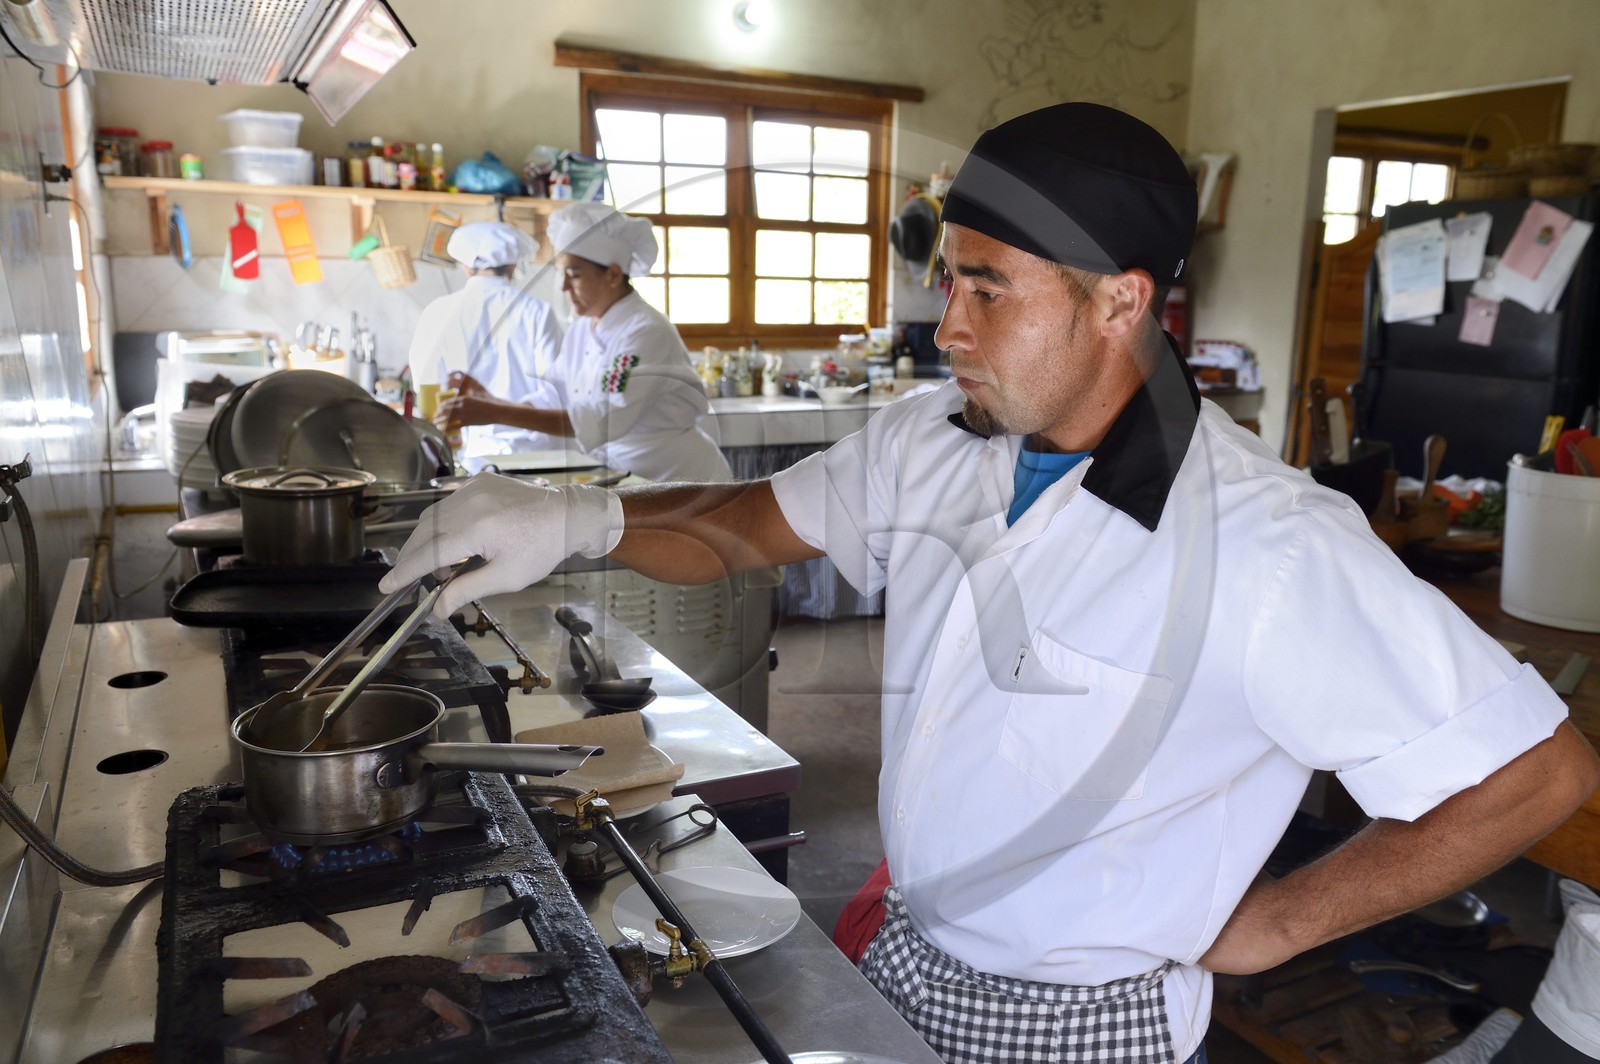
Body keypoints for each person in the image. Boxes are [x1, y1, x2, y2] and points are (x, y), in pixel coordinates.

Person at [382, 103, 1600, 1064]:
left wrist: (1282, 919)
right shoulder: (936, 439)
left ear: (1120, 301)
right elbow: (748, 525)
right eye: (946, 280)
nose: (945, 326)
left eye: (987, 287)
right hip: (911, 950)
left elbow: (1534, 773)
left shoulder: (1266, 543)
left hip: (1083, 1022)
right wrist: (581, 518)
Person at [434, 202, 731, 483]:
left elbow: (603, 420)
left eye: (573, 275)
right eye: (561, 273)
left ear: (613, 274)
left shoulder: (644, 332)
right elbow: (556, 396)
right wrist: (490, 400)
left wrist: (493, 413)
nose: (563, 286)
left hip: (678, 477)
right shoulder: (582, 330)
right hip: (623, 475)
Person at [407, 220, 564, 460]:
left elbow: (426, 387)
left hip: (468, 455)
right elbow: (557, 395)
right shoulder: (537, 311)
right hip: (534, 456)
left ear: (466, 267)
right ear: (512, 265)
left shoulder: (438, 311)